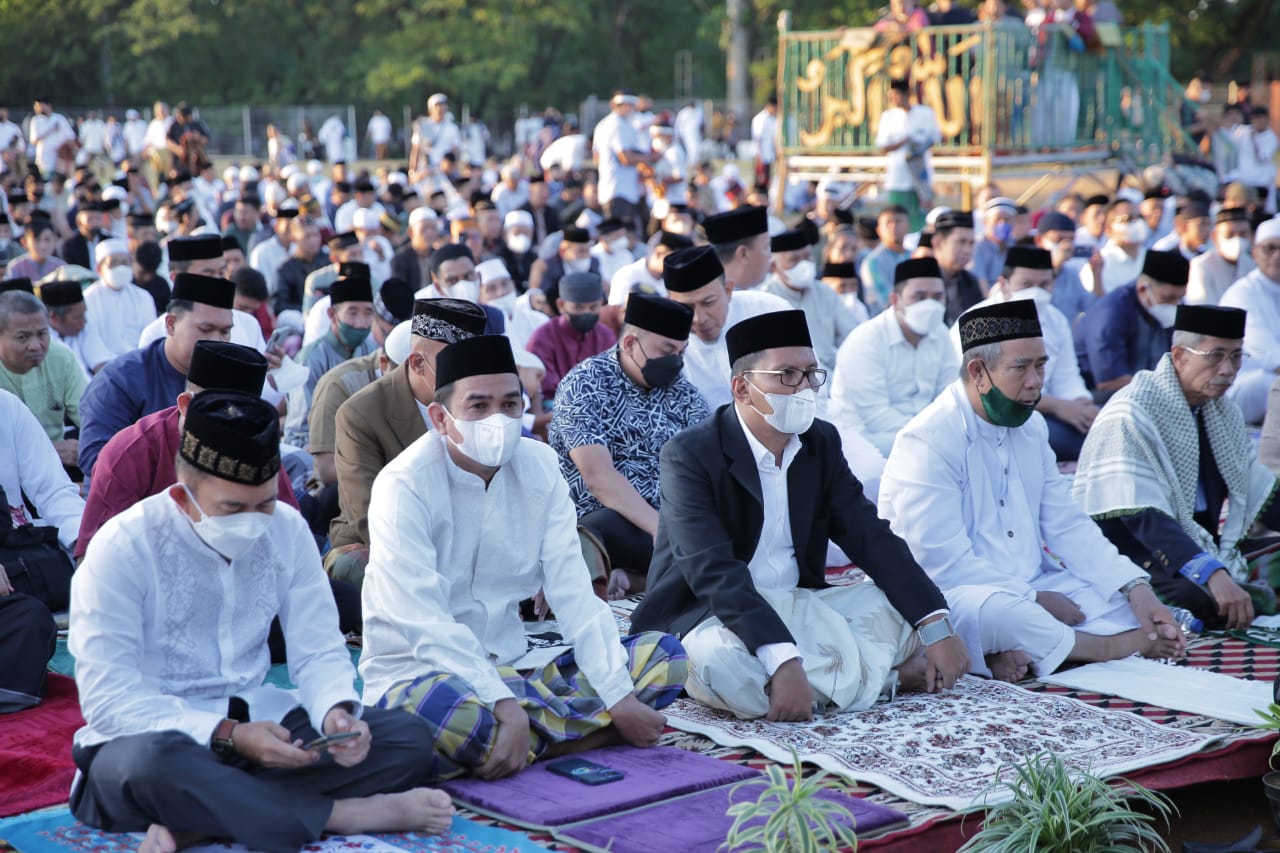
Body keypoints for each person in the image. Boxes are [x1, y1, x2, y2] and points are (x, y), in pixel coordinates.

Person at [68, 390, 451, 853]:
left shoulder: (286, 529)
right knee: (149, 763)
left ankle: (204, 821)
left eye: (264, 504)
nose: (254, 521)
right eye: (232, 508)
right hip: (158, 743)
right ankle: (339, 814)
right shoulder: (123, 547)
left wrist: (335, 712)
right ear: (182, 498)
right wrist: (229, 737)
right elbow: (109, 702)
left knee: (406, 740)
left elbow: (318, 647)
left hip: (265, 726)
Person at [360, 335, 687, 777]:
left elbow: (573, 592)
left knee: (664, 657)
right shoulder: (404, 485)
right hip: (425, 671)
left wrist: (617, 696)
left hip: (516, 663)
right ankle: (586, 737)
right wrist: (502, 703)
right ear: (440, 417)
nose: (498, 419)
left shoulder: (539, 465)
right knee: (449, 713)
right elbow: (424, 623)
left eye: (510, 405)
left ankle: (513, 747)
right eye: (478, 406)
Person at [630, 310, 968, 720]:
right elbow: (712, 570)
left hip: (801, 603)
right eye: (786, 374)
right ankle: (886, 680)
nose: (804, 387)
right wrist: (782, 657)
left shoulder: (820, 441)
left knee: (911, 613)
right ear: (742, 388)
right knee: (721, 664)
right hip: (713, 613)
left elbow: (868, 534)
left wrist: (934, 625)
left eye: (810, 373)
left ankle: (816, 683)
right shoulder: (691, 454)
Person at [878, 300, 1185, 683]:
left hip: (1032, 583)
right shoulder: (927, 441)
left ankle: (1020, 655)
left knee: (1124, 605)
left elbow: (1067, 524)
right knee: (1007, 615)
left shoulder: (1032, 428)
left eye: (1040, 365)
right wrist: (1034, 599)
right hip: (955, 596)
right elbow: (940, 563)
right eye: (1020, 367)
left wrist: (1134, 586)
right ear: (978, 372)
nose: (1036, 382)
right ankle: (1106, 648)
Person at [1074, 305, 1276, 631]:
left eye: (1237, 357)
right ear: (1180, 356)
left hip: (1199, 541)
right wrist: (1211, 573)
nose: (1228, 370)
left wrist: (1213, 568)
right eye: (1216, 356)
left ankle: (1255, 593)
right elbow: (1144, 518)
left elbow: (1261, 490)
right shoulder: (1133, 411)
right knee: (1202, 597)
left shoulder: (1222, 412)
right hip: (1135, 551)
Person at [549, 294, 709, 597]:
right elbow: (598, 478)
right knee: (595, 532)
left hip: (671, 524)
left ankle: (637, 580)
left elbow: (710, 463)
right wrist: (664, 531)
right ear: (630, 343)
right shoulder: (586, 385)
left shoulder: (684, 395)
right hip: (611, 522)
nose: (675, 361)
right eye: (666, 350)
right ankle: (642, 576)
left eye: (681, 352)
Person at [326, 299, 488, 589]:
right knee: (362, 568)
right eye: (457, 363)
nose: (469, 373)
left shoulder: (484, 400)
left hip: (474, 540)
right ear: (417, 362)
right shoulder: (361, 414)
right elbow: (371, 519)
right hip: (385, 544)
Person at [78, 273, 235, 478]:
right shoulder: (120, 379)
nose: (217, 340)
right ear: (171, 324)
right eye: (206, 329)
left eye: (225, 332)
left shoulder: (229, 376)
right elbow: (97, 460)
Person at [953, 246, 1097, 461]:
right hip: (1004, 415)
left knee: (1106, 421)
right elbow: (983, 393)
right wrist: (1057, 406)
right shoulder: (977, 324)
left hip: (1052, 411)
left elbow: (1067, 377)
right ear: (1003, 284)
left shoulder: (1055, 319)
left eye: (1044, 284)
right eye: (1027, 284)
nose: (1036, 291)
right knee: (1081, 442)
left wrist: (1082, 406)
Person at [0, 388, 83, 713]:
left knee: (31, 619)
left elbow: (53, 491)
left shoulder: (5, 407)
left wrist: (87, 549)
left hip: (13, 568)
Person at [831, 257, 956, 455]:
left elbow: (949, 395)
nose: (930, 305)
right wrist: (928, 437)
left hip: (925, 434)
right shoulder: (866, 340)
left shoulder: (940, 332)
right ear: (895, 300)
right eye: (920, 297)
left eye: (937, 297)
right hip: (869, 439)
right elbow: (875, 415)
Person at [308, 281, 414, 488]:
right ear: (384, 364)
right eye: (353, 313)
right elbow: (327, 471)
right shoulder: (338, 384)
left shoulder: (434, 385)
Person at [665, 235, 789, 409]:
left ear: (728, 290)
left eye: (708, 303)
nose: (699, 319)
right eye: (686, 308)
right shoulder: (663, 346)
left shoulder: (771, 311)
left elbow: (808, 380)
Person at [1074, 248, 1187, 400]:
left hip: (1149, 392)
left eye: (1179, 298)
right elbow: (1109, 382)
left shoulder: (1164, 309)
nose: (1175, 305)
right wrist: (1166, 390)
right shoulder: (1111, 312)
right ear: (1142, 288)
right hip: (1098, 398)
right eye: (1168, 298)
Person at [283, 274, 377, 449]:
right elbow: (300, 430)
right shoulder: (310, 359)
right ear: (332, 314)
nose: (361, 323)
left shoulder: (372, 352)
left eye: (368, 313)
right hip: (317, 448)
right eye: (353, 312)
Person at [0, 290, 85, 466]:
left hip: (60, 467)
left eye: (42, 334)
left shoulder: (61, 357)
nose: (35, 346)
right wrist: (50, 451)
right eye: (23, 337)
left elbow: (92, 414)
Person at [760, 229, 859, 370]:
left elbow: (851, 336)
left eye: (807, 257)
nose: (803, 264)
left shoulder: (825, 292)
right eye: (794, 260)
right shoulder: (765, 300)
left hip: (831, 374)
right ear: (775, 266)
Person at [1219, 219, 1280, 423]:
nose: (1277, 256)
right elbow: (1272, 358)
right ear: (1255, 252)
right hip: (1240, 386)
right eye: (1270, 248)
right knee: (1270, 383)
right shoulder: (1242, 294)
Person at [526, 271, 616, 400]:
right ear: (561, 305)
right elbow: (543, 391)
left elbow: (614, 382)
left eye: (593, 307)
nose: (587, 313)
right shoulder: (543, 338)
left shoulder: (606, 335)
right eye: (578, 308)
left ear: (601, 304)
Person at [875, 80, 940, 231]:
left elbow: (934, 139)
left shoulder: (925, 113)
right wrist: (903, 141)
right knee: (897, 216)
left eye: (896, 95)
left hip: (920, 175)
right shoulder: (888, 117)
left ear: (906, 95)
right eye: (891, 96)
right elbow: (883, 147)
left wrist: (917, 145)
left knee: (922, 218)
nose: (893, 100)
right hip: (897, 177)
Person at [591, 89, 656, 234]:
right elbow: (626, 158)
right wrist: (651, 159)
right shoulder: (618, 124)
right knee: (620, 234)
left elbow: (597, 157)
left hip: (613, 188)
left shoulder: (603, 124)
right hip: (620, 191)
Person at [83, 238, 156, 361]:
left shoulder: (143, 297)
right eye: (114, 263)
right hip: (104, 367)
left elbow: (150, 336)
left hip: (140, 363)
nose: (120, 267)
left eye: (125, 262)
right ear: (99, 269)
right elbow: (90, 341)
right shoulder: (88, 298)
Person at [39, 277, 112, 377]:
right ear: (54, 317)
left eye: (83, 314)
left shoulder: (84, 325)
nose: (84, 320)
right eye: (77, 317)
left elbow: (101, 363)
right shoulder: (40, 341)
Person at [1187, 207, 1256, 306]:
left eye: (1243, 234)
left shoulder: (1251, 264)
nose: (1237, 240)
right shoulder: (1202, 266)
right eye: (1230, 235)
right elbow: (1204, 308)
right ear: (1215, 237)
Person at [858, 206, 912, 314]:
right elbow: (884, 300)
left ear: (909, 226)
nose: (894, 226)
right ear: (878, 230)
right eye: (888, 222)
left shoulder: (915, 256)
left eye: (898, 221)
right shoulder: (872, 262)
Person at [970, 197, 1017, 292]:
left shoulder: (1016, 247)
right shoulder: (978, 248)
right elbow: (981, 285)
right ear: (985, 222)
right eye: (997, 219)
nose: (1002, 223)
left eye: (1007, 220)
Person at [751, 97, 779, 189]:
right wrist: (759, 159)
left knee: (772, 181)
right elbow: (758, 140)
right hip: (762, 156)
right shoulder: (760, 119)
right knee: (762, 182)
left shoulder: (775, 119)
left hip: (772, 156)